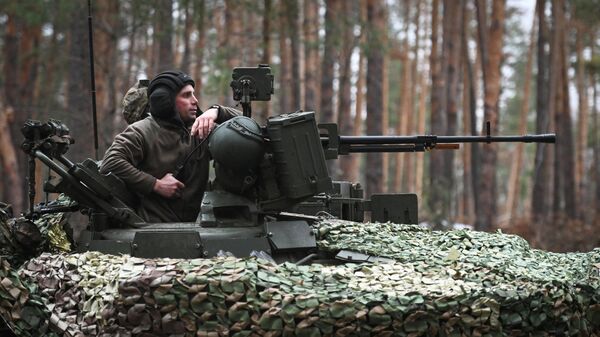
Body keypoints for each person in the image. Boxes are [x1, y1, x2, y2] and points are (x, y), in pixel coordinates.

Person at [99, 70, 239, 223]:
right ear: (166, 101)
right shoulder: (142, 131)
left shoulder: (200, 129)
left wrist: (217, 111)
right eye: (186, 95)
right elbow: (110, 162)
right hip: (155, 228)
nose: (195, 100)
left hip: (197, 226)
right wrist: (155, 184)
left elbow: (249, 130)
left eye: (193, 94)